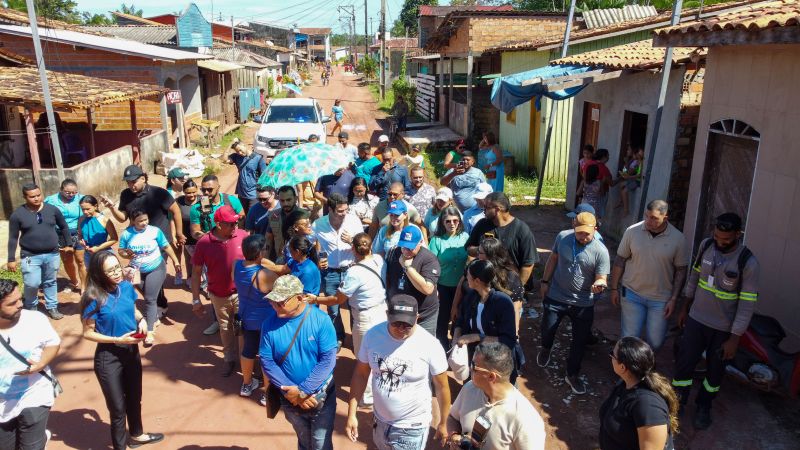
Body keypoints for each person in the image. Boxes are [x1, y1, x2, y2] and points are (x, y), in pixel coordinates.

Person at [673, 212, 758, 430]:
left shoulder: (748, 262)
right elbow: (695, 275)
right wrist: (685, 307)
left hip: (722, 330)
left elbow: (747, 304)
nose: (720, 242)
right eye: (718, 237)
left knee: (715, 372)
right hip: (696, 320)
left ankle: (704, 406)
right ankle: (677, 402)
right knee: (684, 362)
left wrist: (735, 339)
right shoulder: (706, 245)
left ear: (738, 235)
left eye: (726, 240)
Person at [79, 252, 164, 450]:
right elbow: (87, 333)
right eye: (110, 271)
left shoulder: (125, 287)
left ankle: (137, 434)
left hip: (131, 352)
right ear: (99, 274)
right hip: (108, 357)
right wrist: (117, 339)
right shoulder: (93, 296)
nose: (117, 273)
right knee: (117, 409)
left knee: (135, 398)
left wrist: (141, 319)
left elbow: (132, 309)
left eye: (117, 267)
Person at [345, 294, 451, 449]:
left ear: (417, 318)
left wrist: (443, 422)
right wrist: (351, 414)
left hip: (412, 428)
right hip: (379, 422)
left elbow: (442, 387)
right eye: (396, 323)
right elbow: (361, 374)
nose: (401, 329)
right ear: (387, 315)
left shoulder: (430, 345)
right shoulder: (373, 336)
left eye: (407, 324)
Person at [305, 232, 385, 405]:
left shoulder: (354, 272)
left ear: (353, 249)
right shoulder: (378, 259)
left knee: (364, 358)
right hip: (382, 312)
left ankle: (367, 398)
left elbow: (337, 299)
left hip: (365, 318)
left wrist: (316, 299)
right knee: (378, 353)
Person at [260, 275, 338, 450]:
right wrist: (291, 392)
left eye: (282, 301)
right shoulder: (268, 324)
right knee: (303, 442)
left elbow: (328, 360)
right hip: (290, 399)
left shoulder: (321, 321)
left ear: (300, 298)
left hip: (319, 398)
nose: (275, 305)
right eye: (273, 300)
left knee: (320, 444)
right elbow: (267, 360)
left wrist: (303, 391)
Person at [538, 212, 609, 395]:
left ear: (595, 229)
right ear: (573, 227)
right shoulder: (562, 237)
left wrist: (599, 284)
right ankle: (546, 347)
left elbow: (602, 277)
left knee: (579, 342)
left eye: (587, 233)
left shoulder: (601, 251)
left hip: (583, 303)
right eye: (580, 233)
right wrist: (545, 282)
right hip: (556, 296)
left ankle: (572, 374)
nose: (583, 237)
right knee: (547, 329)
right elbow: (553, 259)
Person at [609, 200, 689, 352]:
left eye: (654, 218)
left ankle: (645, 367)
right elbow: (620, 260)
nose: (648, 221)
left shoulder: (678, 239)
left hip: (660, 299)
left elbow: (681, 270)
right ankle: (627, 372)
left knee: (656, 342)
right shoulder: (632, 231)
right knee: (629, 339)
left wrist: (673, 299)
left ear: (665, 218)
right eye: (646, 216)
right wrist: (614, 288)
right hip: (632, 293)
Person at [447, 342, 546, 450]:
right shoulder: (470, 388)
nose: (470, 369)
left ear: (491, 376)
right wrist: (454, 435)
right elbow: (452, 418)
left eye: (474, 366)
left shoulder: (526, 419)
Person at [0, 278, 61, 450]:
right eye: (12, 303)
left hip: (34, 393)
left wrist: (41, 364)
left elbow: (53, 343)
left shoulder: (35, 319)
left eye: (20, 299)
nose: (20, 304)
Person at [191, 206, 249, 377]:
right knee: (225, 328)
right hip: (218, 295)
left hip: (241, 293)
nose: (235, 227)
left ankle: (245, 361)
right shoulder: (204, 243)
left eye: (236, 223)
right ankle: (229, 359)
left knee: (242, 328)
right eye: (230, 224)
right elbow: (196, 273)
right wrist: (196, 300)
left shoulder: (243, 236)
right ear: (218, 224)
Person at [7, 183, 71, 319]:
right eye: (32, 197)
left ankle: (52, 306)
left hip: (52, 253)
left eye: (38, 195)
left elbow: (64, 227)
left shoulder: (52, 210)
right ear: (25, 197)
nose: (36, 198)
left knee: (50, 281)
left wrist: (69, 244)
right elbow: (13, 238)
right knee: (32, 283)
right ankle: (31, 307)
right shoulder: (17, 215)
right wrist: (11, 259)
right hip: (30, 255)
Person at [600, 337, 678, 450]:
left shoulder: (648, 407)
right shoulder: (624, 384)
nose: (611, 356)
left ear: (622, 367)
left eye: (612, 354)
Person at [117, 210, 180, 346]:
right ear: (133, 221)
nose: (144, 223)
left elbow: (166, 246)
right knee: (147, 296)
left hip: (156, 267)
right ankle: (154, 316)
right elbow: (121, 250)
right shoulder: (127, 234)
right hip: (136, 270)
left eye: (146, 219)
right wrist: (127, 255)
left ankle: (150, 330)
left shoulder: (155, 231)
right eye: (140, 221)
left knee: (150, 299)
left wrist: (176, 261)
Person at [312, 193, 364, 350]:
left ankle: (356, 339)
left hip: (351, 271)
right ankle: (339, 336)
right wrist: (318, 258)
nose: (344, 214)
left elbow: (364, 244)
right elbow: (309, 243)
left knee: (355, 307)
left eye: (346, 210)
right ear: (331, 209)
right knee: (333, 309)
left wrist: (352, 241)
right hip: (330, 273)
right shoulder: (318, 224)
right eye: (341, 211)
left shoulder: (354, 221)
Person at [453, 260, 519, 382]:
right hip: (475, 362)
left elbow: (508, 340)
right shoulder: (470, 297)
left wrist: (477, 337)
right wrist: (456, 339)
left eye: (468, 275)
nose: (465, 278)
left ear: (477, 281)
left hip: (497, 366)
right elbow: (460, 321)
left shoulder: (502, 302)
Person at [232, 234, 278, 403]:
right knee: (267, 356)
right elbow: (282, 288)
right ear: (260, 254)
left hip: (246, 318)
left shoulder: (236, 266)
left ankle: (246, 384)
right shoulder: (265, 275)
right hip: (266, 322)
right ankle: (267, 393)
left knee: (248, 351)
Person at [466, 192, 539, 288]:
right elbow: (469, 249)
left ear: (497, 209)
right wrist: (482, 250)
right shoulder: (482, 224)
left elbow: (528, 264)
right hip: (486, 287)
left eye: (486, 207)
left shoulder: (521, 230)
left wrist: (517, 289)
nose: (483, 210)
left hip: (509, 286)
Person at [102, 165, 185, 247]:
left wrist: (179, 233)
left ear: (143, 179)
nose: (131, 185)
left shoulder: (158, 193)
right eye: (128, 183)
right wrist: (112, 208)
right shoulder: (125, 194)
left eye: (134, 182)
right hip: (139, 242)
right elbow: (122, 219)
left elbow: (176, 211)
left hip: (160, 241)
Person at [385, 225, 440, 336]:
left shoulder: (429, 259)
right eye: (404, 246)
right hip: (399, 313)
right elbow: (388, 278)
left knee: (424, 349)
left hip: (424, 314)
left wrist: (408, 268)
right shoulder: (393, 253)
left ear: (420, 242)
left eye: (411, 247)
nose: (406, 250)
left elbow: (428, 289)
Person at [428, 206, 469, 350]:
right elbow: (431, 266)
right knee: (442, 320)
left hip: (462, 286)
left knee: (460, 319)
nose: (452, 224)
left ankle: (456, 348)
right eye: (448, 221)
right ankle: (442, 349)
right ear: (442, 223)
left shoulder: (465, 237)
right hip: (443, 287)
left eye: (455, 221)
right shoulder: (436, 240)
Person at [44, 178, 84, 293]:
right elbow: (41, 212)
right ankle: (74, 281)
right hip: (60, 234)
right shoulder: (51, 200)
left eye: (74, 192)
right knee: (67, 260)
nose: (71, 195)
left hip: (77, 232)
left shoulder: (81, 198)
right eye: (68, 192)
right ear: (61, 190)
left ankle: (85, 285)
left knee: (80, 260)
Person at [76, 195, 119, 288]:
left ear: (95, 206)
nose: (85, 212)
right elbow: (80, 235)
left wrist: (98, 248)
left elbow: (114, 238)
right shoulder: (81, 219)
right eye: (83, 209)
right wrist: (81, 241)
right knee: (94, 278)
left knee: (109, 278)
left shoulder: (104, 220)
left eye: (88, 209)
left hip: (104, 253)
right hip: (89, 254)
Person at [189, 175, 244, 241]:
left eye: (210, 189)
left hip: (232, 240)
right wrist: (207, 236)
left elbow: (242, 218)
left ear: (218, 187)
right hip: (212, 243)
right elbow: (195, 232)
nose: (206, 192)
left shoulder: (231, 200)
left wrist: (237, 234)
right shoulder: (197, 207)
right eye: (203, 190)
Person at [227, 138, 267, 215]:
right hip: (242, 194)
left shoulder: (258, 158)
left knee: (252, 215)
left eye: (240, 150)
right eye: (237, 151)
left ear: (244, 145)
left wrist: (262, 193)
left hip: (254, 194)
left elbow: (264, 176)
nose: (240, 153)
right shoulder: (236, 157)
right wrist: (229, 144)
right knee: (242, 216)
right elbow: (224, 160)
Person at [266, 186, 302, 262]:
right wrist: (266, 259)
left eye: (288, 200)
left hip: (299, 261)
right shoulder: (273, 215)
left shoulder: (304, 216)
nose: (285, 203)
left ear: (295, 199)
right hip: (280, 260)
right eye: (282, 201)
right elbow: (269, 239)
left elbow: (312, 240)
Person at [615, 147, 644, 216]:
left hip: (637, 181)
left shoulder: (638, 162)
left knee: (624, 190)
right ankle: (621, 201)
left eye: (629, 150)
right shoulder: (634, 161)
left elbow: (636, 174)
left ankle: (626, 210)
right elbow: (626, 170)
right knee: (621, 184)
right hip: (634, 179)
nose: (627, 151)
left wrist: (628, 176)